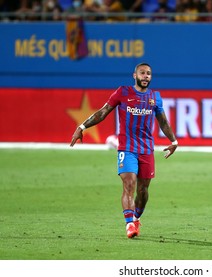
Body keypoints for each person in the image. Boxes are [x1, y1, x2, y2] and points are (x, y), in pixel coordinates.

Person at [70, 63, 179, 239]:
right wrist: (82, 126)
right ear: (134, 75)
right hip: (127, 148)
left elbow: (163, 122)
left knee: (143, 191)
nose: (146, 76)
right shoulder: (123, 92)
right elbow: (103, 112)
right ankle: (129, 224)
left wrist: (173, 141)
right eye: (142, 73)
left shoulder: (155, 97)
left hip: (146, 149)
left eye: (149, 74)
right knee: (129, 184)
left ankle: (136, 219)